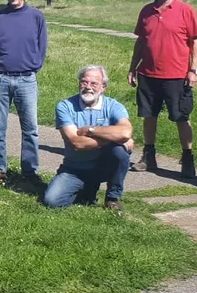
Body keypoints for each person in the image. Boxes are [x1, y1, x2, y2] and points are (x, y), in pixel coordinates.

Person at [127, 0, 197, 178]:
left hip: (177, 75)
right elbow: (141, 41)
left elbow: (195, 41)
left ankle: (187, 158)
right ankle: (149, 156)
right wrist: (133, 67)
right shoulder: (146, 11)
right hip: (148, 73)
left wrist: (193, 70)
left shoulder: (185, 10)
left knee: (181, 117)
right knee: (148, 115)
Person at [43, 65, 134, 210]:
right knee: (52, 201)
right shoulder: (65, 106)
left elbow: (125, 132)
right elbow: (77, 143)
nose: (88, 87)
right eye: (84, 82)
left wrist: (91, 130)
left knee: (120, 152)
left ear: (103, 87)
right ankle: (86, 190)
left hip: (102, 165)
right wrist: (113, 138)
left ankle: (112, 197)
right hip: (75, 168)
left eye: (94, 84)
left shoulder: (113, 106)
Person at [0, 0, 47, 184]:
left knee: (30, 129)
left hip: (26, 80)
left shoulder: (36, 17)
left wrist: (33, 67)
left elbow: (41, 47)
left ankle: (29, 172)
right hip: (0, 80)